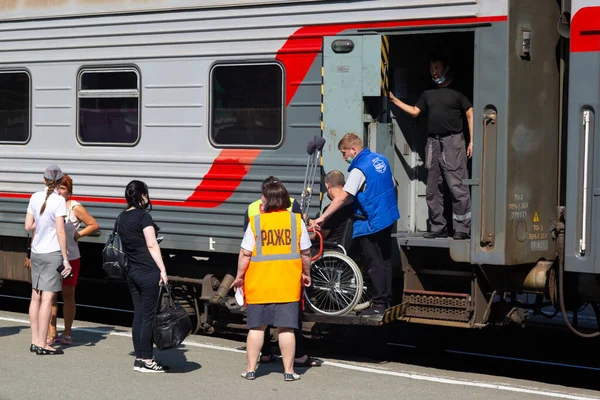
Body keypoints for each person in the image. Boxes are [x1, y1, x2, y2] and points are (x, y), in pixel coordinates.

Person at [233, 179, 312, 381]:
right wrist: (306, 274)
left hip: (259, 284)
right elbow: (306, 252)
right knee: (286, 328)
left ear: (268, 200)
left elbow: (245, 253)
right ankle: (289, 371)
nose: (261, 199)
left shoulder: (257, 222)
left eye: (263, 196)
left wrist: (239, 277)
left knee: (257, 328)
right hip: (287, 284)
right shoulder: (296, 221)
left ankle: (250, 370)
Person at [313, 133, 399, 317]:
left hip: (372, 221)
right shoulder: (380, 159)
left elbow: (343, 196)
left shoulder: (359, 169)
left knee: (374, 262)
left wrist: (323, 217)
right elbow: (392, 184)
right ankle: (387, 298)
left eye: (344, 153)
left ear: (353, 150)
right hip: (388, 217)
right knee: (385, 260)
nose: (344, 157)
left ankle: (378, 304)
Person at [389, 53, 473, 240]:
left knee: (457, 186)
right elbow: (414, 112)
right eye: (431, 68)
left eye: (437, 67)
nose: (434, 72)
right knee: (432, 188)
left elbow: (470, 113)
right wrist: (394, 100)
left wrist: (472, 142)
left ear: (446, 68)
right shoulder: (428, 94)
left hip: (453, 142)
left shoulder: (458, 92)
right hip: (433, 143)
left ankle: (462, 229)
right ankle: (438, 227)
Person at [118, 180, 169, 373]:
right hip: (148, 272)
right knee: (148, 317)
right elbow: (151, 244)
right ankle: (147, 359)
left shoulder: (122, 217)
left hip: (132, 272)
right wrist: (162, 270)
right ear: (142, 195)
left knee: (138, 315)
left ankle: (139, 357)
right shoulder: (144, 217)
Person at [44, 174, 99, 345]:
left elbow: (93, 224)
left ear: (69, 192)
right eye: (58, 187)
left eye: (63, 188)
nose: (59, 191)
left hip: (71, 258)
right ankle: (52, 332)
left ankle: (67, 332)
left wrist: (78, 234)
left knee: (68, 295)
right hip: (52, 256)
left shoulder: (74, 207)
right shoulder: (50, 204)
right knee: (51, 296)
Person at [24, 164, 73, 355]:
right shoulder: (59, 201)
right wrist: (66, 259)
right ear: (60, 182)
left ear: (44, 180)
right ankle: (44, 344)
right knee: (47, 298)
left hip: (36, 252)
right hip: (52, 253)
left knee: (35, 296)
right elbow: (60, 231)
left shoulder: (35, 197)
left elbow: (28, 226)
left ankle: (35, 340)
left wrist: (41, 220)